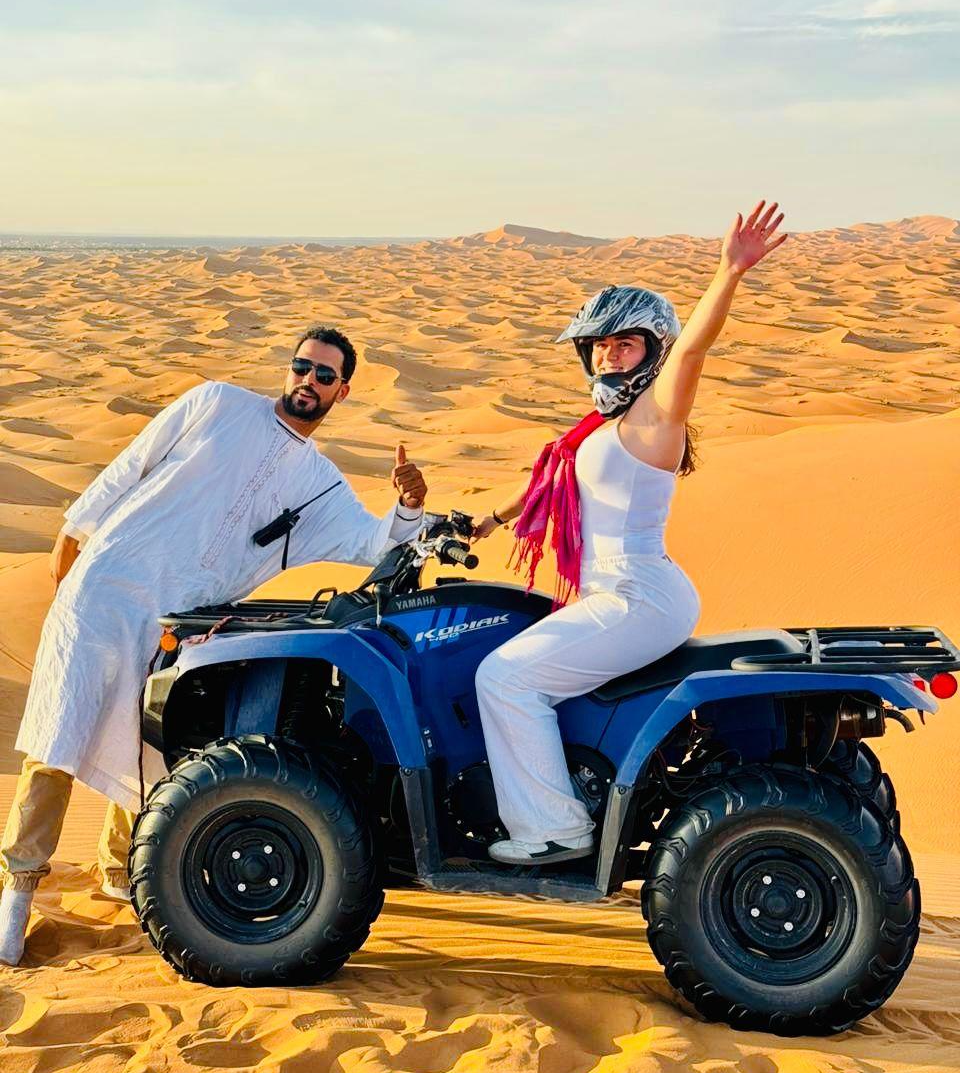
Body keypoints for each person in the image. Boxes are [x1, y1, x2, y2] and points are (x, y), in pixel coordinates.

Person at [0, 327, 427, 965]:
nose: (308, 381)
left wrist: (409, 508)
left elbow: (373, 548)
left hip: (178, 620)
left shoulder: (320, 485)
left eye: (325, 375)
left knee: (150, 744)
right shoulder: (217, 403)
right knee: (59, 735)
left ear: (343, 391)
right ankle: (19, 888)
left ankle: (120, 867)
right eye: (301, 366)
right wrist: (74, 529)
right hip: (107, 585)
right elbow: (133, 463)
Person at [472, 201, 787, 865]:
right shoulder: (595, 430)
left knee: (505, 679)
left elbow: (697, 346)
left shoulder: (655, 420)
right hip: (609, 594)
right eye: (601, 344)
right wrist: (485, 519)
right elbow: (547, 483)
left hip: (636, 596)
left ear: (652, 351)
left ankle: (555, 829)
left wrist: (729, 271)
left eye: (627, 342)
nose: (611, 355)